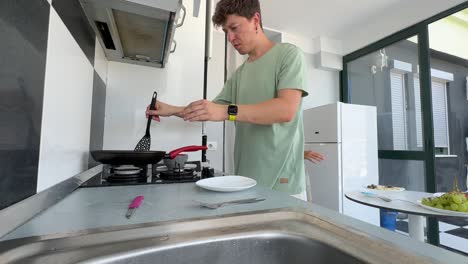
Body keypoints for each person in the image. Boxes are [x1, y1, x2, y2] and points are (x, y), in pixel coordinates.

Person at [146, 0, 308, 198]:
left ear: (255, 20)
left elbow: (285, 110)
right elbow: (211, 110)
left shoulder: (289, 55)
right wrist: (169, 109)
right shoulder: (240, 74)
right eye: (225, 32)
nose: (230, 38)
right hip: (246, 179)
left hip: (283, 182)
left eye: (234, 28)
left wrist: (226, 111)